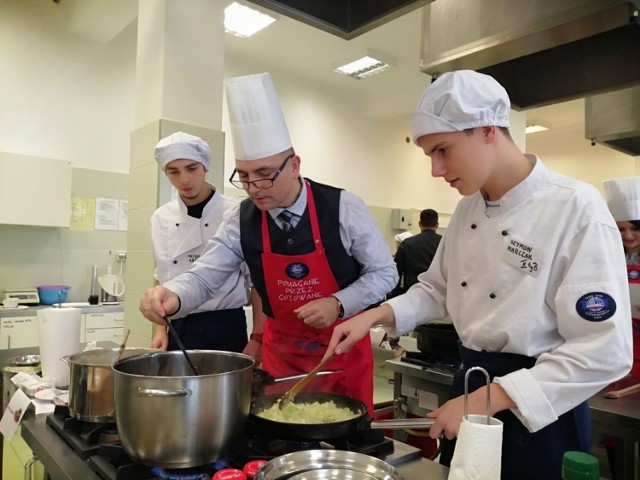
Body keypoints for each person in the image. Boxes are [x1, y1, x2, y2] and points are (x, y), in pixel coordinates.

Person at [325, 70, 632, 479]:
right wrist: (372, 317)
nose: (436, 170)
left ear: (488, 130)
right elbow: (436, 289)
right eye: (429, 155)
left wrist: (491, 398)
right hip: (469, 384)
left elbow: (604, 350)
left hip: (537, 405)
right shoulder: (469, 208)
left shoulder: (576, 209)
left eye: (443, 150)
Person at [140, 73, 398, 415]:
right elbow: (205, 275)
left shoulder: (343, 208)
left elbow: (385, 273)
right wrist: (173, 294)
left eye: (264, 173)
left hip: (340, 350)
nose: (254, 187)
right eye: (244, 176)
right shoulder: (241, 218)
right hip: (283, 354)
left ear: (294, 166)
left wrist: (338, 303)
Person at [149, 131, 262, 362]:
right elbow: (161, 276)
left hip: (226, 325)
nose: (184, 180)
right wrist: (161, 330)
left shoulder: (237, 213)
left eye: (191, 168)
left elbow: (256, 284)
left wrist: (257, 337)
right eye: (173, 171)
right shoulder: (161, 218)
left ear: (205, 167)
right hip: (178, 327)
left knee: (227, 397)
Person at [604, 176, 640, 380]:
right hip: (618, 348)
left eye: (635, 228)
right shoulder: (607, 257)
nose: (628, 235)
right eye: (621, 229)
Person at [390, 208, 441, 297]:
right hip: (437, 292)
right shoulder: (445, 244)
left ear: (419, 224)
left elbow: (396, 271)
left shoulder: (407, 243)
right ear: (437, 225)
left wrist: (394, 295)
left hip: (411, 291)